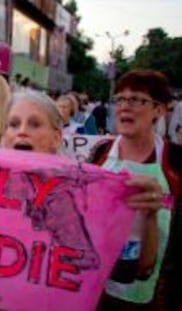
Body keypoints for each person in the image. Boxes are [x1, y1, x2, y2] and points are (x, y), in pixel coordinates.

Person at [88, 70, 182, 311]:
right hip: (98, 284)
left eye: (137, 100)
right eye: (119, 99)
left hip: (156, 291)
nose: (124, 107)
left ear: (158, 110)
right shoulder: (100, 152)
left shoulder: (175, 160)